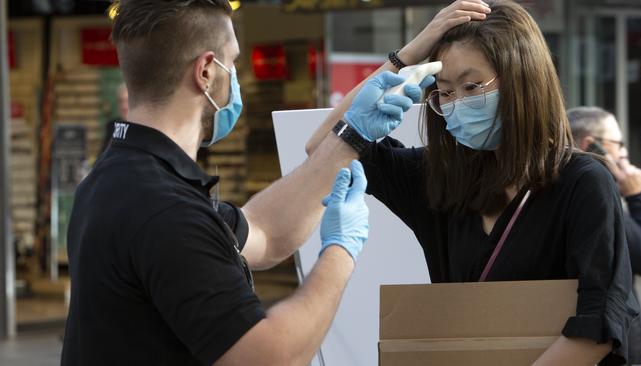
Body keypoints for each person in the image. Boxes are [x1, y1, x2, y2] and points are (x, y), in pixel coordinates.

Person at [60, 0, 429, 365]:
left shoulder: (118, 178)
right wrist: (340, 253)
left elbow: (265, 232)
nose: (235, 76)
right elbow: (268, 356)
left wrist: (352, 135)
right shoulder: (165, 211)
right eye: (233, 61)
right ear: (205, 71)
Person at [306, 0, 638, 365]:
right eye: (445, 92)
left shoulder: (582, 182)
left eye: (472, 85)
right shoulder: (439, 177)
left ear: (521, 78)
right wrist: (404, 57)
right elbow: (322, 146)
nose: (456, 103)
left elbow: (599, 325)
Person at [568, 106, 641, 365]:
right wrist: (639, 197)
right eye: (618, 143)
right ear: (591, 146)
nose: (624, 152)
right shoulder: (594, 196)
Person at [99, 82, 129, 152]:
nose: (124, 106)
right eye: (121, 101)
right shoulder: (113, 126)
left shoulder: (141, 126)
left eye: (127, 101)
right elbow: (103, 154)